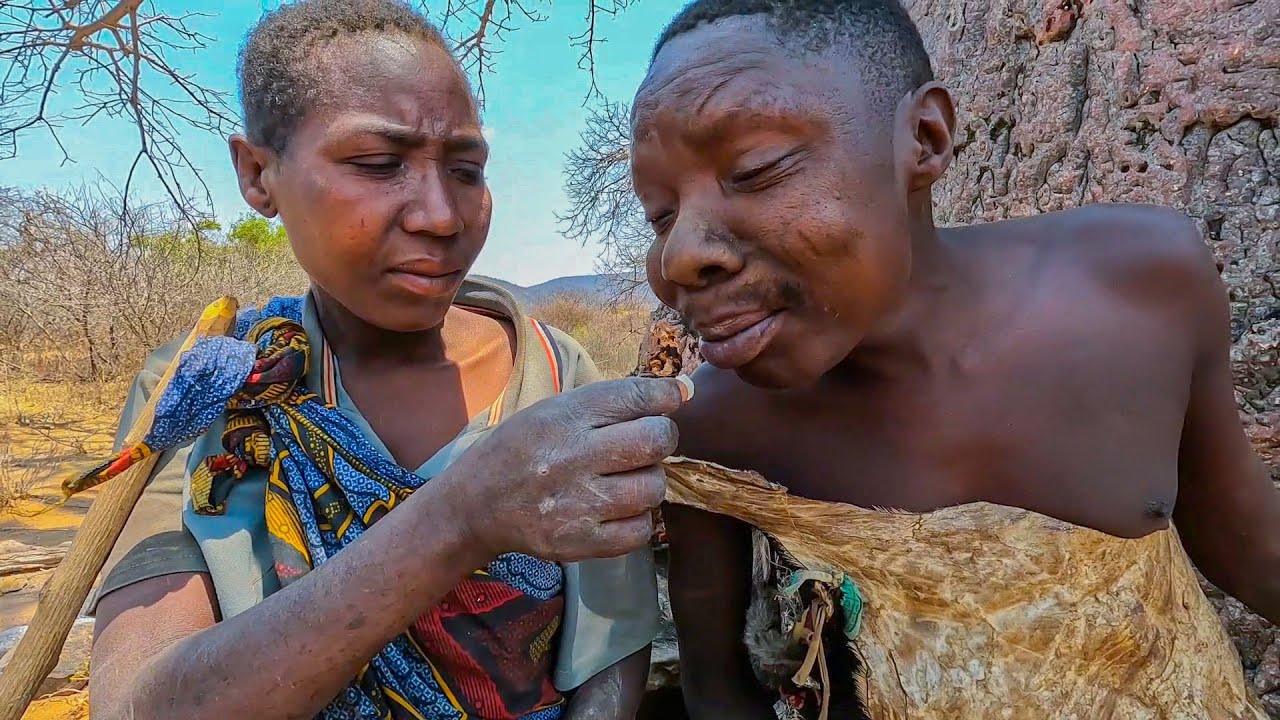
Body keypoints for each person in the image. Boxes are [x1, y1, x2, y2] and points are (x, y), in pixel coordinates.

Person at [632, 0, 1280, 718]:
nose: (680, 256)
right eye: (661, 213)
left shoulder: (1139, 289)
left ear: (926, 137)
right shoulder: (716, 433)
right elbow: (718, 690)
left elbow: (1244, 542)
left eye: (754, 169)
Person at [84, 2, 682, 718]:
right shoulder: (202, 394)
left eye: (465, 169)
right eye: (377, 164)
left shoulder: (555, 374)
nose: (440, 214)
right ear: (257, 173)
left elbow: (611, 649)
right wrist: (459, 519)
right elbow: (139, 702)